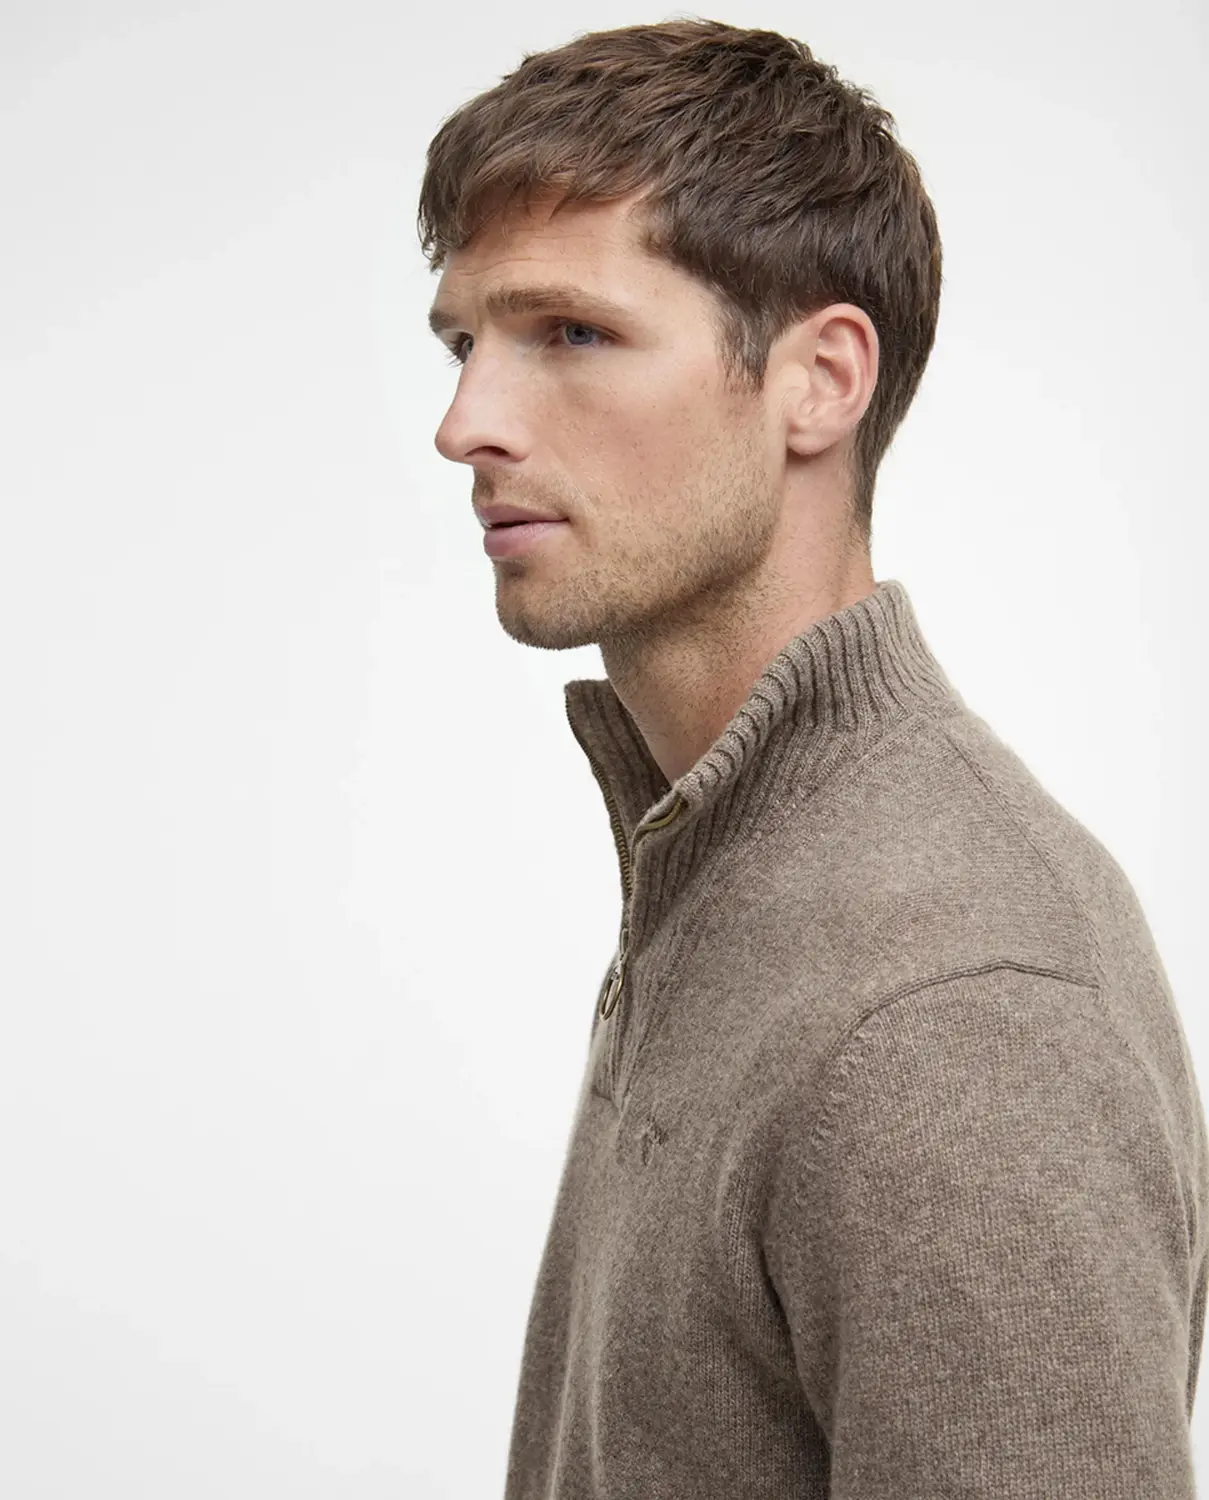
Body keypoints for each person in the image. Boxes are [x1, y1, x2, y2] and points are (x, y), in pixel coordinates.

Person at [417, 19, 1208, 1498]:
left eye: (571, 334)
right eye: (466, 344)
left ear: (820, 381)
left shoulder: (952, 1009)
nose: (467, 424)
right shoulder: (730, 858)